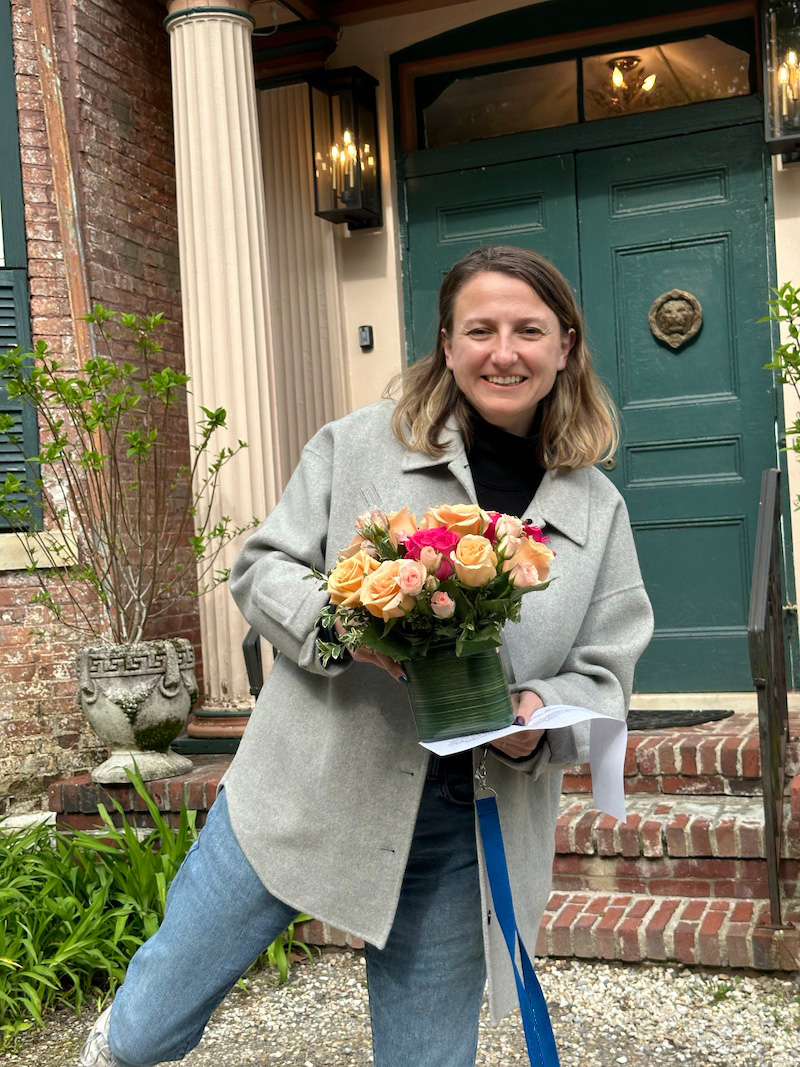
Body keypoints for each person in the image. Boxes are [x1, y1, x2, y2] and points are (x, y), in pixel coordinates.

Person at [80, 245, 653, 1067]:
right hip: (303, 786)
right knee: (142, 1033)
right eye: (480, 329)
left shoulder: (597, 509)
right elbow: (263, 565)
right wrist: (350, 626)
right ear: (447, 346)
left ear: (565, 345)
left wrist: (541, 719)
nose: (504, 351)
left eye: (528, 330)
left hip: (466, 822)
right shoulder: (356, 448)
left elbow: (608, 667)